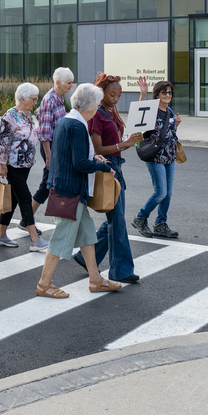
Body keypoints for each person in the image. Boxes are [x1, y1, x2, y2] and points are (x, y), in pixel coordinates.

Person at [35, 83, 121, 298]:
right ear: (90, 106)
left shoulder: (69, 121)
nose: (98, 108)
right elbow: (80, 163)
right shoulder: (76, 125)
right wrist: (103, 166)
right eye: (97, 104)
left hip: (70, 190)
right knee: (62, 237)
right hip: (70, 191)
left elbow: (75, 156)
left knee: (87, 235)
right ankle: (44, 284)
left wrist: (94, 158)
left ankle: (95, 279)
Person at [73, 73, 144, 284]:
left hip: (115, 167)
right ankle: (120, 271)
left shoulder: (111, 112)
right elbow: (97, 149)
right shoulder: (97, 114)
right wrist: (124, 145)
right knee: (117, 220)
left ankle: (86, 257)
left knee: (116, 218)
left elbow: (120, 135)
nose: (116, 98)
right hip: (106, 167)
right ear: (101, 93)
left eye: (119, 95)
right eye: (112, 94)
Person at [0, 83, 50, 252]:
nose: (35, 102)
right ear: (22, 98)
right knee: (25, 198)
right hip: (13, 165)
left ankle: (0, 235)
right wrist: (2, 165)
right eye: (33, 99)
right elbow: (3, 143)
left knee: (14, 198)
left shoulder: (27, 114)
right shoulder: (10, 116)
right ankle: (35, 239)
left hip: (26, 164)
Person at [132, 80, 182, 240]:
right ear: (157, 94)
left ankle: (161, 224)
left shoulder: (170, 111)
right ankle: (140, 218)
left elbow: (168, 132)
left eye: (170, 92)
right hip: (155, 156)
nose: (168, 95)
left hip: (169, 156)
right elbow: (138, 116)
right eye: (164, 92)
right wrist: (143, 94)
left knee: (168, 194)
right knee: (160, 192)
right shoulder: (151, 110)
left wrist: (176, 124)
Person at [30, 67, 75, 223]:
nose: (71, 85)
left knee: (48, 183)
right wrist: (49, 156)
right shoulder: (50, 100)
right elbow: (45, 132)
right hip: (51, 149)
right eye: (69, 83)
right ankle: (27, 218)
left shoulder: (59, 97)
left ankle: (27, 218)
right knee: (48, 183)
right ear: (58, 83)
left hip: (58, 148)